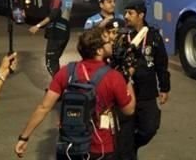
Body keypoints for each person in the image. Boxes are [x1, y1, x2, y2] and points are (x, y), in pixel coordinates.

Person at [15, 28, 134, 160]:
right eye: (107, 41)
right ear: (99, 51)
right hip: (100, 148)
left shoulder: (66, 72)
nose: (111, 43)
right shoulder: (113, 77)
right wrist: (127, 77)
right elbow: (129, 110)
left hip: (69, 146)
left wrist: (24, 138)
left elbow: (44, 107)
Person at [119, 1, 169, 158]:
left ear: (141, 15)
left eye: (130, 13)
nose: (126, 16)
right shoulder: (122, 36)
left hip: (147, 92)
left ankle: (130, 147)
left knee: (150, 128)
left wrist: (165, 88)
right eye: (126, 13)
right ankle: (127, 151)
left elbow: (161, 63)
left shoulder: (153, 36)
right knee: (125, 132)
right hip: (126, 93)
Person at [28, 0, 74, 79]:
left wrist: (38, 26)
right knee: (55, 60)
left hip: (56, 34)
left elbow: (53, 15)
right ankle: (58, 86)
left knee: (50, 63)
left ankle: (59, 87)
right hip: (65, 33)